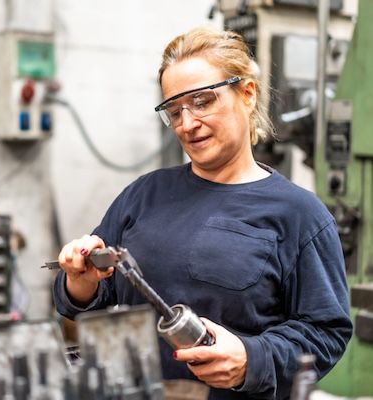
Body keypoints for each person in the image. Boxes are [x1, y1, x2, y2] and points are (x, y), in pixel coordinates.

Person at [53, 26, 352, 399]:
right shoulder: (145, 194)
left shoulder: (299, 215)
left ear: (247, 93)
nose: (187, 124)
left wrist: (251, 358)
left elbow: (326, 332)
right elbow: (88, 299)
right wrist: (80, 281)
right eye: (174, 111)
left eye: (202, 102)